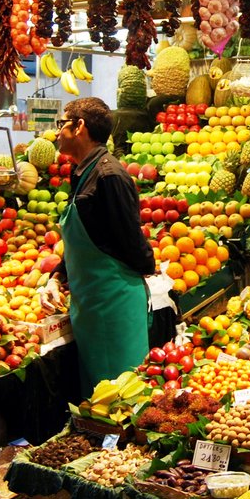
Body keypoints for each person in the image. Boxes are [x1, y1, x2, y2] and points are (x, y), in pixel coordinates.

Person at [39, 98, 155, 394]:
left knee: (121, 395)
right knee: (98, 399)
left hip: (114, 304)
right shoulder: (81, 172)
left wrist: (144, 267)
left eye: (60, 124)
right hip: (90, 306)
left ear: (79, 127)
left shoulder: (109, 176)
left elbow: (131, 242)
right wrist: (57, 277)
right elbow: (88, 237)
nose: (56, 132)